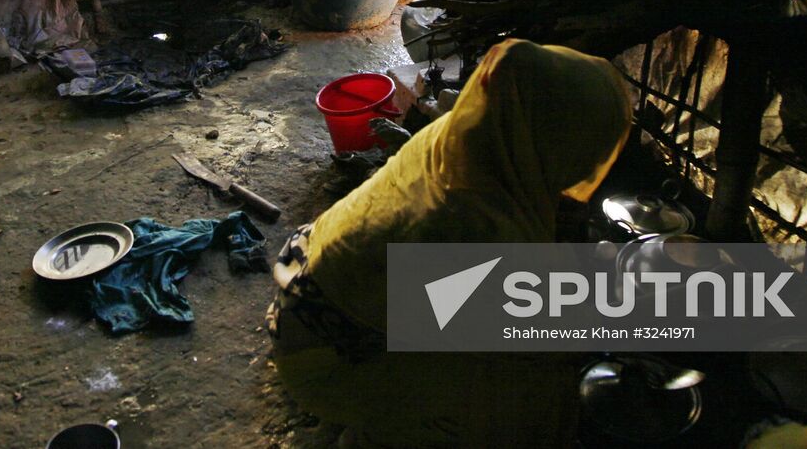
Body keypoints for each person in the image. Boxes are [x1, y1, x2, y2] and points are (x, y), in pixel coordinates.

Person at [266, 38, 633, 447]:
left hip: (308, 274)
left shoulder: (470, 136)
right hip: (327, 355)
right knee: (523, 391)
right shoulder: (478, 226)